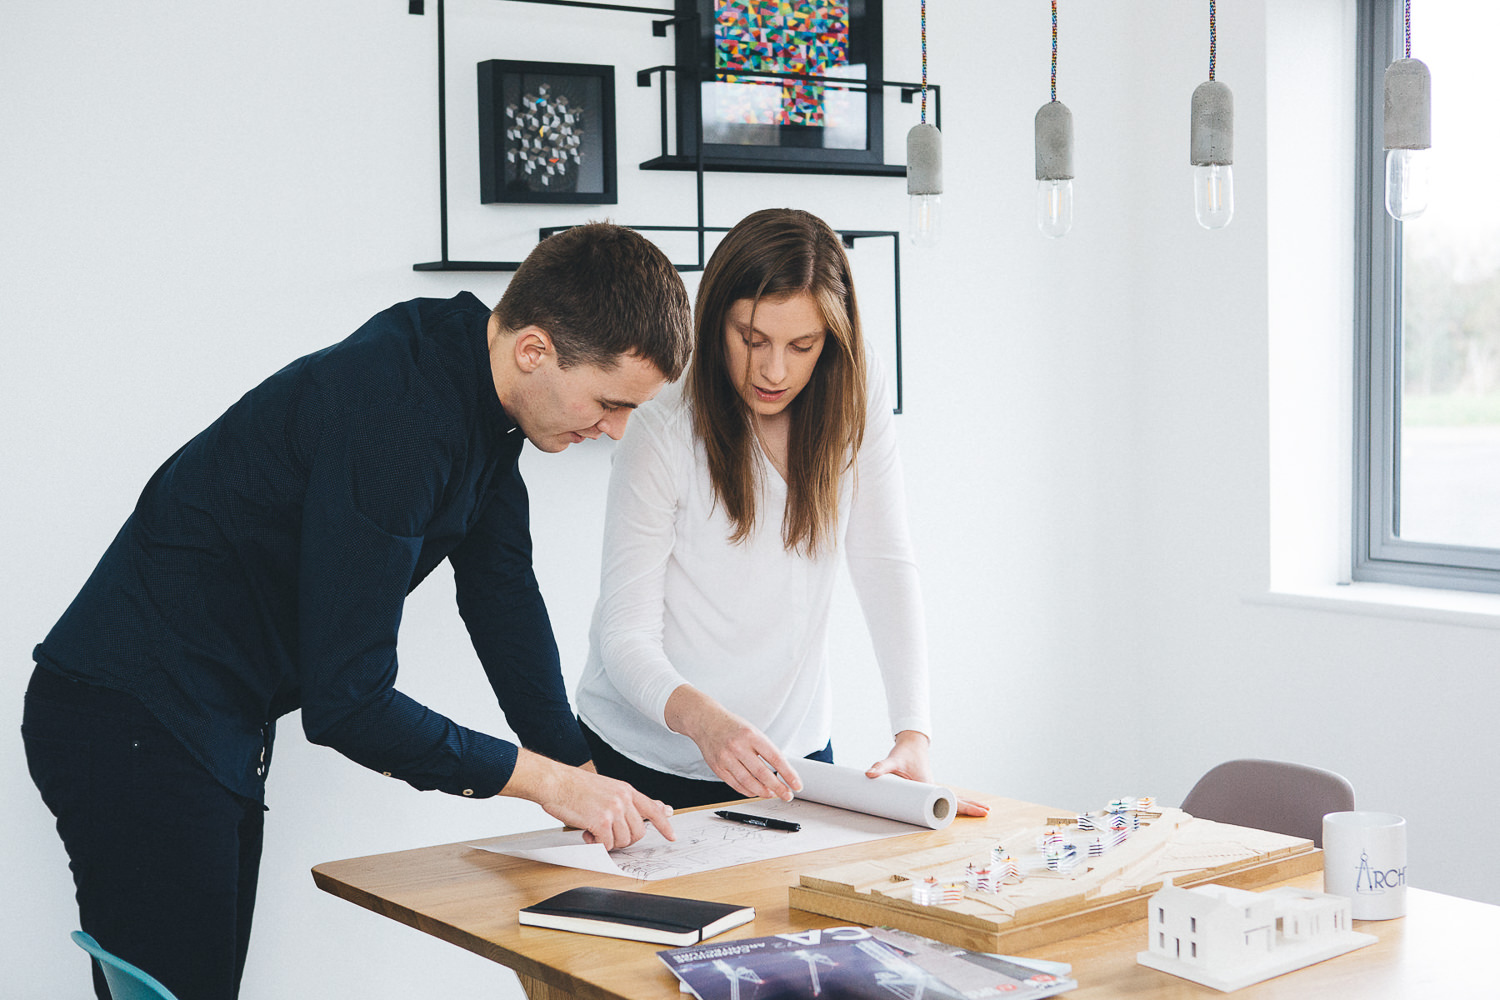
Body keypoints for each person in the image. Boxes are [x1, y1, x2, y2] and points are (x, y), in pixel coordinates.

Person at [22, 222, 691, 1000]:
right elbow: (350, 704)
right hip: (133, 718)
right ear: (534, 351)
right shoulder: (401, 423)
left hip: (198, 717)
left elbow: (502, 589)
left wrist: (578, 771)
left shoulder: (473, 375)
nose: (615, 430)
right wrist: (548, 783)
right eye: (610, 403)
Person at [574, 208, 987, 814]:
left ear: (832, 341)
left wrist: (912, 732)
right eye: (751, 339)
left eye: (802, 346)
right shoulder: (662, 422)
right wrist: (707, 722)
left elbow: (884, 560)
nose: (773, 370)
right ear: (716, 321)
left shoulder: (855, 389)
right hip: (647, 757)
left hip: (791, 754)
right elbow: (625, 637)